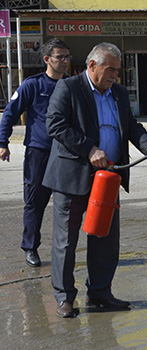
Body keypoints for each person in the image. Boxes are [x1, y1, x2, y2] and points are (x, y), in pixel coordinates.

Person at [43, 42, 147, 318]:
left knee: (105, 239)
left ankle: (100, 293)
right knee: (66, 241)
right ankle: (65, 297)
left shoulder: (119, 94)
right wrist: (89, 148)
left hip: (108, 178)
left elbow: (132, 126)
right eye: (110, 69)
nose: (115, 75)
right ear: (92, 66)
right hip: (72, 177)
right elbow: (54, 124)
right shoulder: (69, 88)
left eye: (117, 70)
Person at [0, 38, 71, 268]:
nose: (65, 61)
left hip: (65, 154)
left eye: (67, 57)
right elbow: (10, 114)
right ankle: (30, 247)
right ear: (47, 59)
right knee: (34, 203)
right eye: (60, 57)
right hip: (39, 153)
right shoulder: (33, 85)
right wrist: (2, 142)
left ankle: (65, 250)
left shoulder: (72, 86)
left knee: (68, 204)